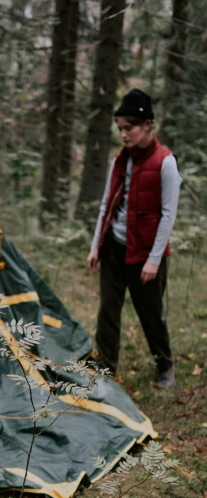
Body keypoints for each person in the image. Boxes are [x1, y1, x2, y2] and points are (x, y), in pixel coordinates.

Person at [86, 88, 181, 389]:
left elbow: (168, 215)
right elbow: (106, 204)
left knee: (151, 314)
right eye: (120, 129)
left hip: (145, 255)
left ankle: (165, 366)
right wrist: (95, 246)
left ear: (148, 125)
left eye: (130, 128)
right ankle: (105, 366)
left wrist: (154, 260)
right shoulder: (120, 161)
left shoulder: (166, 163)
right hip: (115, 248)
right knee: (108, 310)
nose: (124, 135)